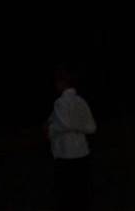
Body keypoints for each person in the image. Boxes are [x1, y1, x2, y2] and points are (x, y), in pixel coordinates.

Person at [46, 65, 96, 211]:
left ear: (61, 83)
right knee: (81, 194)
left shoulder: (60, 103)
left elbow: (67, 124)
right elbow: (89, 127)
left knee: (67, 196)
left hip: (67, 156)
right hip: (82, 154)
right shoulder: (81, 102)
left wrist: (51, 128)